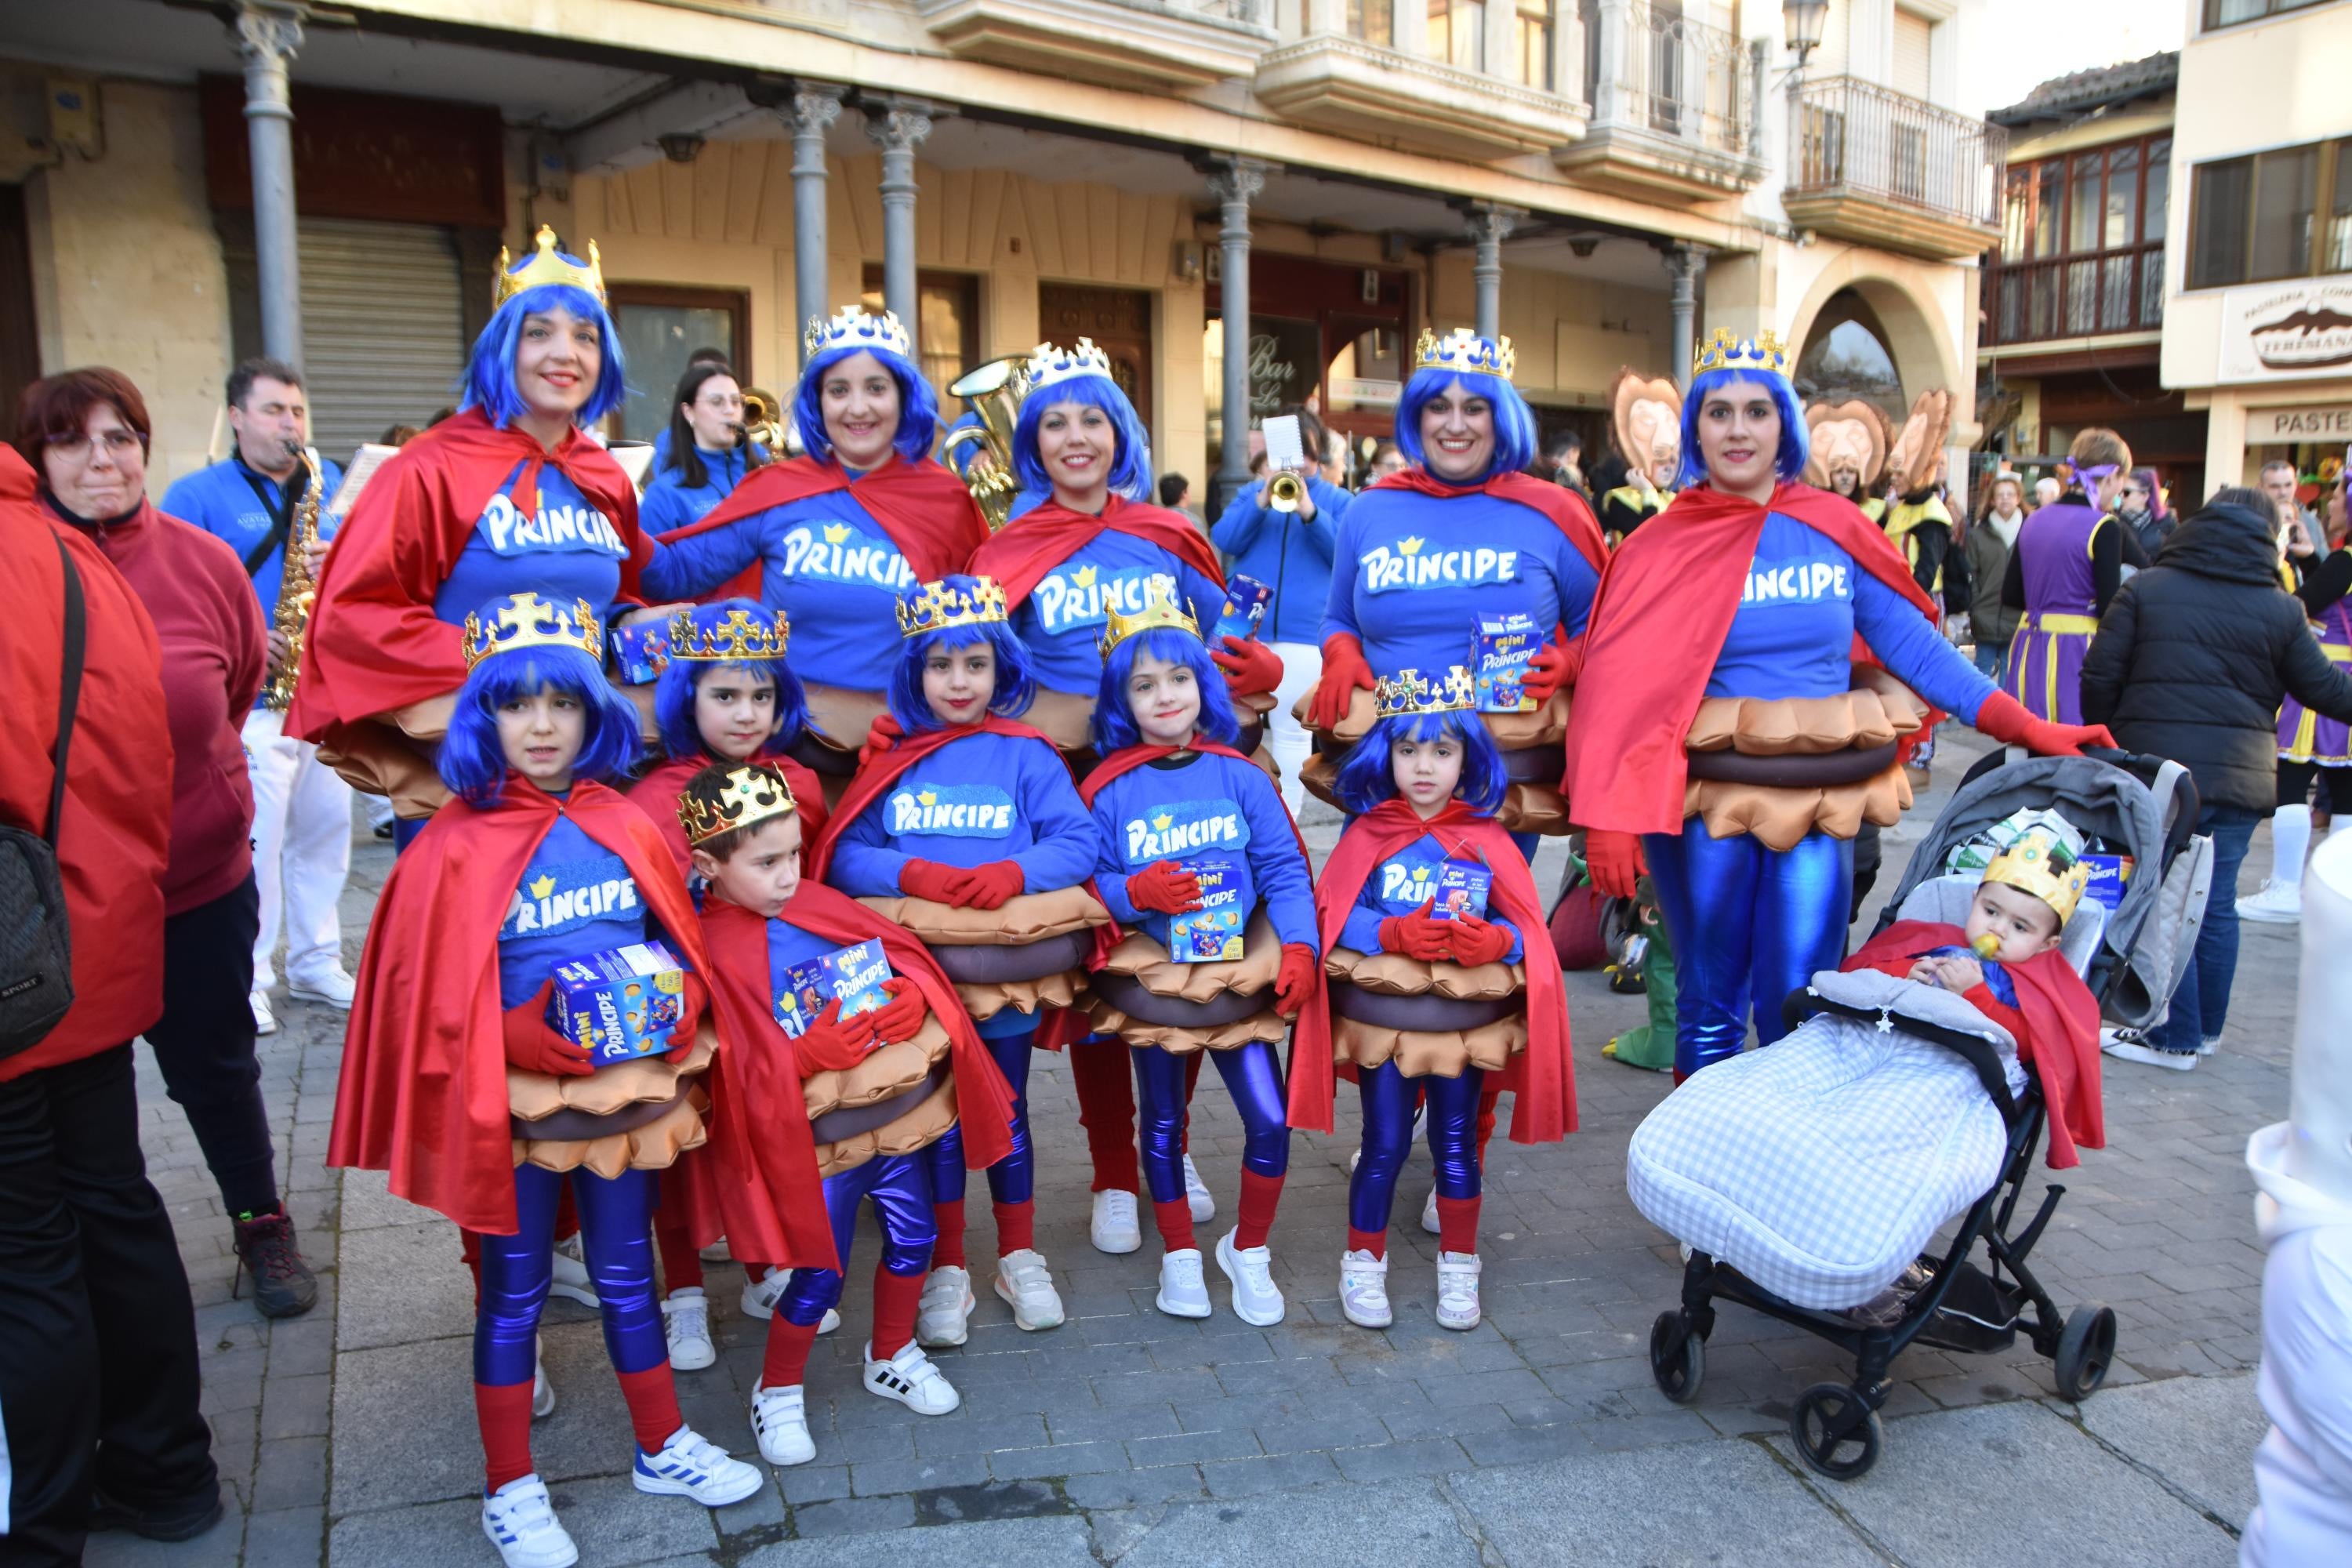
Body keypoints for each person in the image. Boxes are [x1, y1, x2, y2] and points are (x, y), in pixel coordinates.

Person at [330, 591, 769, 1566]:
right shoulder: (449, 841)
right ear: (482, 716)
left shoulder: (626, 820)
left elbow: (673, 940)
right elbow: (419, 997)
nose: (540, 724)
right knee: (512, 1292)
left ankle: (661, 1444)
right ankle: (510, 1486)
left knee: (627, 1275)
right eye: (516, 703)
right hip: (509, 1104)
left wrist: (678, 1006)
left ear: (595, 712)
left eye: (562, 703)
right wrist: (511, 1030)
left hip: (621, 1090)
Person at [1562, 329, 2112, 1081]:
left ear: (1783, 423)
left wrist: (2024, 724)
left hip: (1814, 803)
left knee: (1802, 1000)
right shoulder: (1659, 545)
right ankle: (1706, 1168)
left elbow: (1915, 650)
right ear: (1696, 427)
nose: (1737, 429)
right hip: (1699, 808)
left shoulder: (1832, 528)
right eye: (1718, 412)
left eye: (1756, 411)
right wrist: (1608, 822)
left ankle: (1783, 1174)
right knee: (1708, 1001)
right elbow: (1614, 686)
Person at [967, 341, 1283, 1255]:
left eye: (1092, 419)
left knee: (1182, 948)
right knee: (1104, 974)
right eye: (1056, 421)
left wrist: (1255, 664)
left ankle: (1169, 1144)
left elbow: (1223, 640)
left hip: (1173, 776)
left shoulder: (1168, 531)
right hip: (1066, 784)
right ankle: (1113, 1165)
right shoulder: (1008, 545)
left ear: (1120, 433)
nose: (1076, 438)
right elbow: (978, 666)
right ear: (1033, 440)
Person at [19, 367, 321, 1317]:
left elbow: (230, 697)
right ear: (38, 459)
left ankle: (259, 1217)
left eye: (120, 437)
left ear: (147, 447)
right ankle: (94, 1252)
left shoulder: (201, 561)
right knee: (80, 1092)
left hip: (195, 879)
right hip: (66, 898)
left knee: (216, 1064)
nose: (101, 459)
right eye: (73, 442)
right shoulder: (21, 568)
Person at [0, 444, 223, 1559]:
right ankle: (166, 1469)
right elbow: (156, 747)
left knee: (28, 1248)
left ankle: (38, 1528)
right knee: (113, 1208)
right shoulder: (76, 554)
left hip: (13, 965)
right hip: (83, 943)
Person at [683, 760, 1017, 1466]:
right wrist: (800, 1056)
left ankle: (891, 1349)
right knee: (817, 1274)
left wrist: (911, 996)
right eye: (766, 862)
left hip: (893, 1127)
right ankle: (775, 1391)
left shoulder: (815, 903)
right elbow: (715, 1059)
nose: (786, 876)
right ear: (708, 865)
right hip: (813, 1149)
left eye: (795, 855)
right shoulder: (708, 948)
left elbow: (900, 961)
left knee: (915, 1239)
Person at [289, 226, 670, 837]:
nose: (565, 353)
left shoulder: (606, 476)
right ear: (502, 347)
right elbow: (355, 616)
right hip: (470, 778)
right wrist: (521, 656)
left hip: (588, 773)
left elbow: (616, 599)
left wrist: (640, 628)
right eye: (538, 332)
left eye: (585, 336)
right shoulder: (429, 467)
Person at [808, 574, 1097, 1345]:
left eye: (975, 662)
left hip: (1001, 980)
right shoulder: (896, 757)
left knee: (1006, 1108)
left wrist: (1013, 872)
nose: (959, 680)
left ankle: (1018, 1250)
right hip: (915, 981)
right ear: (914, 673)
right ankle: (947, 1264)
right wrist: (914, 874)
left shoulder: (1028, 755)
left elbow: (1079, 841)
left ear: (1003, 667)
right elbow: (843, 856)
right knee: (932, 1119)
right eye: (940, 664)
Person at [1288, 666, 1574, 1333]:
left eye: (1442, 751)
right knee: (1384, 1142)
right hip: (1385, 1027)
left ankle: (1460, 1264)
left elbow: (1525, 928)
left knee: (1455, 1147)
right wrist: (1388, 930)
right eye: (1408, 749)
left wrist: (1492, 943)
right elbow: (1332, 912)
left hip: (1461, 1030)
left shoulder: (1489, 838)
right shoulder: (1366, 834)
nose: (1424, 767)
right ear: (1383, 754)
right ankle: (1362, 1260)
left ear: (1467, 758)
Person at [1078, 586, 1319, 1323]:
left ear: (1204, 684)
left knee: (1270, 1121)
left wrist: (1302, 946)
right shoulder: (1107, 788)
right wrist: (1132, 890)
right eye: (1143, 684)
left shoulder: (1242, 775)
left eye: (1179, 678)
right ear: (1122, 700)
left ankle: (1248, 1249)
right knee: (1161, 1123)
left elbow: (1283, 867)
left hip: (1240, 969)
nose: (1165, 696)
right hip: (1159, 972)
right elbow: (1085, 879)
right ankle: (1181, 1251)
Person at [644, 308, 988, 777]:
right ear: (818, 401)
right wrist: (609, 502)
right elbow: (674, 572)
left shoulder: (946, 501)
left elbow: (980, 630)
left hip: (908, 749)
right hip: (788, 748)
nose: (858, 408)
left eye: (876, 388)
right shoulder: (779, 490)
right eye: (839, 390)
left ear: (903, 397)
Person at [2081, 487, 2352, 1068]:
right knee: (2215, 902)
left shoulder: (2146, 589)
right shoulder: (2279, 606)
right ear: (2263, 539)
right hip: (2237, 780)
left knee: (2159, 897)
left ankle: (2173, 1034)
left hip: (2158, 775)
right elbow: (2326, 689)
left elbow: (2099, 675)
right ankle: (2204, 1032)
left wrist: (2110, 741)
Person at [1310, 329, 1606, 856]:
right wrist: (1340, 653)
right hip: (1386, 772)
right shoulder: (1369, 510)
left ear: (1502, 417)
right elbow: (1338, 618)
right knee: (1376, 931)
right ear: (1416, 417)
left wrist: (1568, 662)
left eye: (1475, 408)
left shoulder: (1556, 511)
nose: (1454, 424)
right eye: (1437, 407)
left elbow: (1608, 631)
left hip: (1503, 782)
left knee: (1490, 935)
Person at [622, 600, 826, 1357]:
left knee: (759, 1133)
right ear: (687, 696)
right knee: (682, 1142)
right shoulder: (653, 796)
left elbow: (810, 893)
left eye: (762, 695)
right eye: (725, 695)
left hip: (769, 991)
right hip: (688, 1000)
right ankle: (679, 1291)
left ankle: (762, 1261)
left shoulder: (797, 782)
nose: (746, 713)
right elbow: (644, 912)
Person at [160, 357, 357, 1036]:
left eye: (297, 412)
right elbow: (171, 592)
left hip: (323, 694)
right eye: (274, 411)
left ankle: (316, 960)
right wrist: (242, 638)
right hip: (252, 698)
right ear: (237, 417)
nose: (290, 424)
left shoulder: (328, 484)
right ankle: (251, 977)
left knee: (327, 836)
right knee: (258, 844)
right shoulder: (195, 495)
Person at [1210, 404, 1352, 814]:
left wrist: (1309, 510)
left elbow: (1344, 554)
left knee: (1291, 732)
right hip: (1243, 630)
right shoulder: (1250, 494)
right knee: (1230, 725)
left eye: (1305, 455)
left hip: (1304, 635)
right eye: (1287, 455)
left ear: (1318, 455)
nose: (1297, 465)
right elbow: (1226, 538)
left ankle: (1287, 821)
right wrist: (1260, 498)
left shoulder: (1337, 500)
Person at [2000, 427, 2147, 724]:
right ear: (2112, 475)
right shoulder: (2103, 526)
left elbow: (2012, 595)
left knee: (2028, 741)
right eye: (2122, 483)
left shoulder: (2033, 520)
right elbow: (2109, 608)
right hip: (2078, 653)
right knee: (2074, 746)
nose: (2120, 492)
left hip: (2028, 646)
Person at [637, 363, 754, 537]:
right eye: (716, 402)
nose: (730, 410)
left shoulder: (763, 473)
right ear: (689, 412)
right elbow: (650, 563)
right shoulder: (663, 495)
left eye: (736, 401)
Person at [1965, 473, 2028, 678]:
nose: (2005, 499)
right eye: (2000, 494)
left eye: (2010, 494)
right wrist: (1976, 604)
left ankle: (2003, 713)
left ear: (2018, 498)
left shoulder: (2030, 531)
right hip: (1986, 615)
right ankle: (1978, 712)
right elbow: (1971, 571)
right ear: (1992, 500)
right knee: (1982, 672)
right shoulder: (1978, 534)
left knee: (2010, 675)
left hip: (2017, 617)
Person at [2118, 467, 2172, 560]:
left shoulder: (2167, 521)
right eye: (2120, 492)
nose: (2121, 496)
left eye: (2126, 492)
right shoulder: (2116, 521)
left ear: (2144, 496)